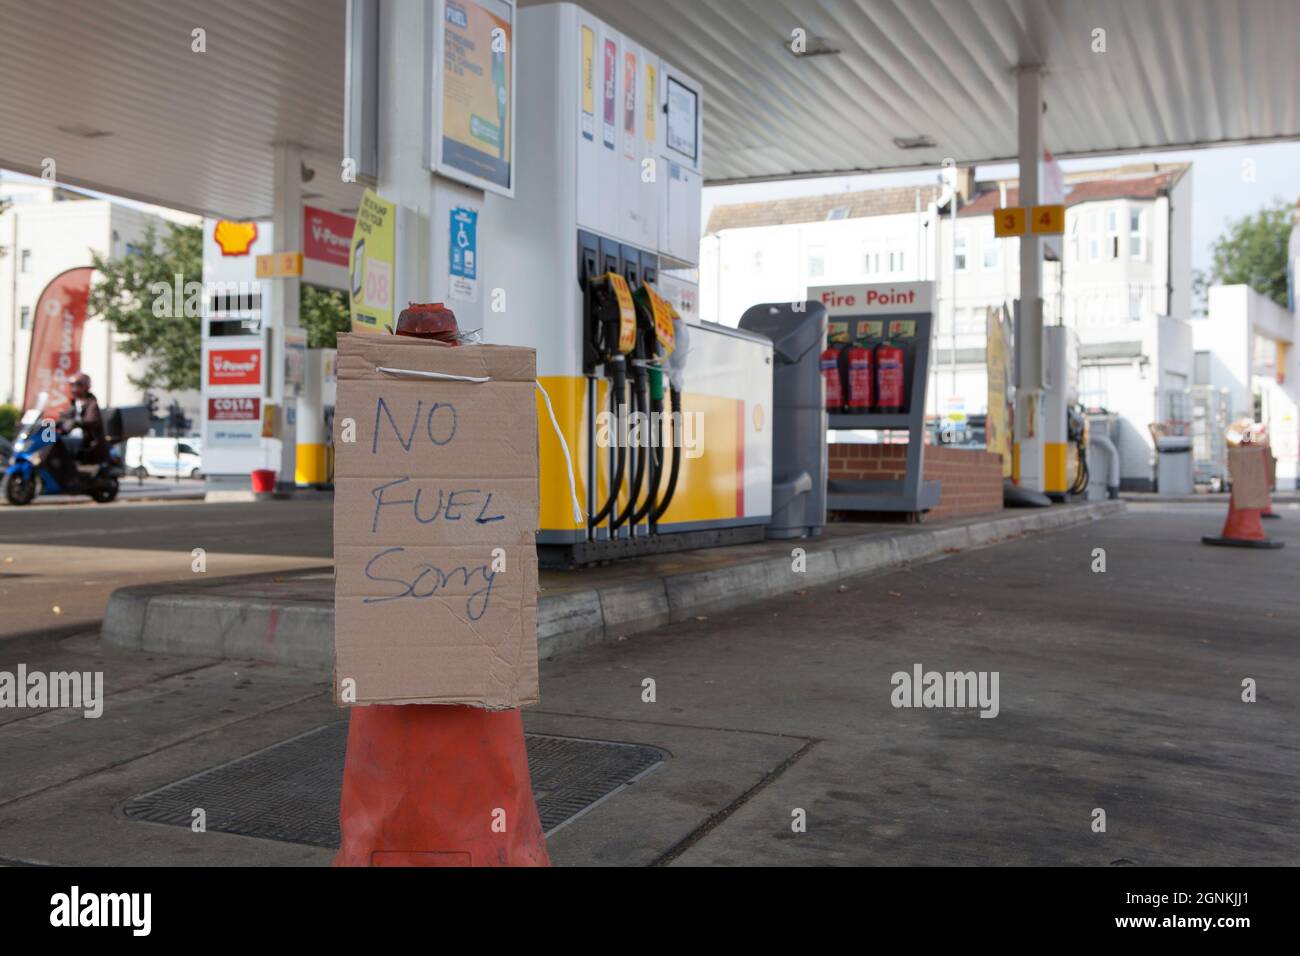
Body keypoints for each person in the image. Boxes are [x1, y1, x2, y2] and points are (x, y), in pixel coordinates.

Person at [50, 372, 107, 484]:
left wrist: (76, 423)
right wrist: (51, 423)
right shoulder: (75, 403)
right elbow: (65, 418)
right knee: (49, 441)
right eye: (72, 385)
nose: (74, 388)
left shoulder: (92, 403)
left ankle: (68, 476)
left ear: (86, 386)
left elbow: (92, 420)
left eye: (77, 385)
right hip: (74, 437)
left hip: (88, 441)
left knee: (58, 443)